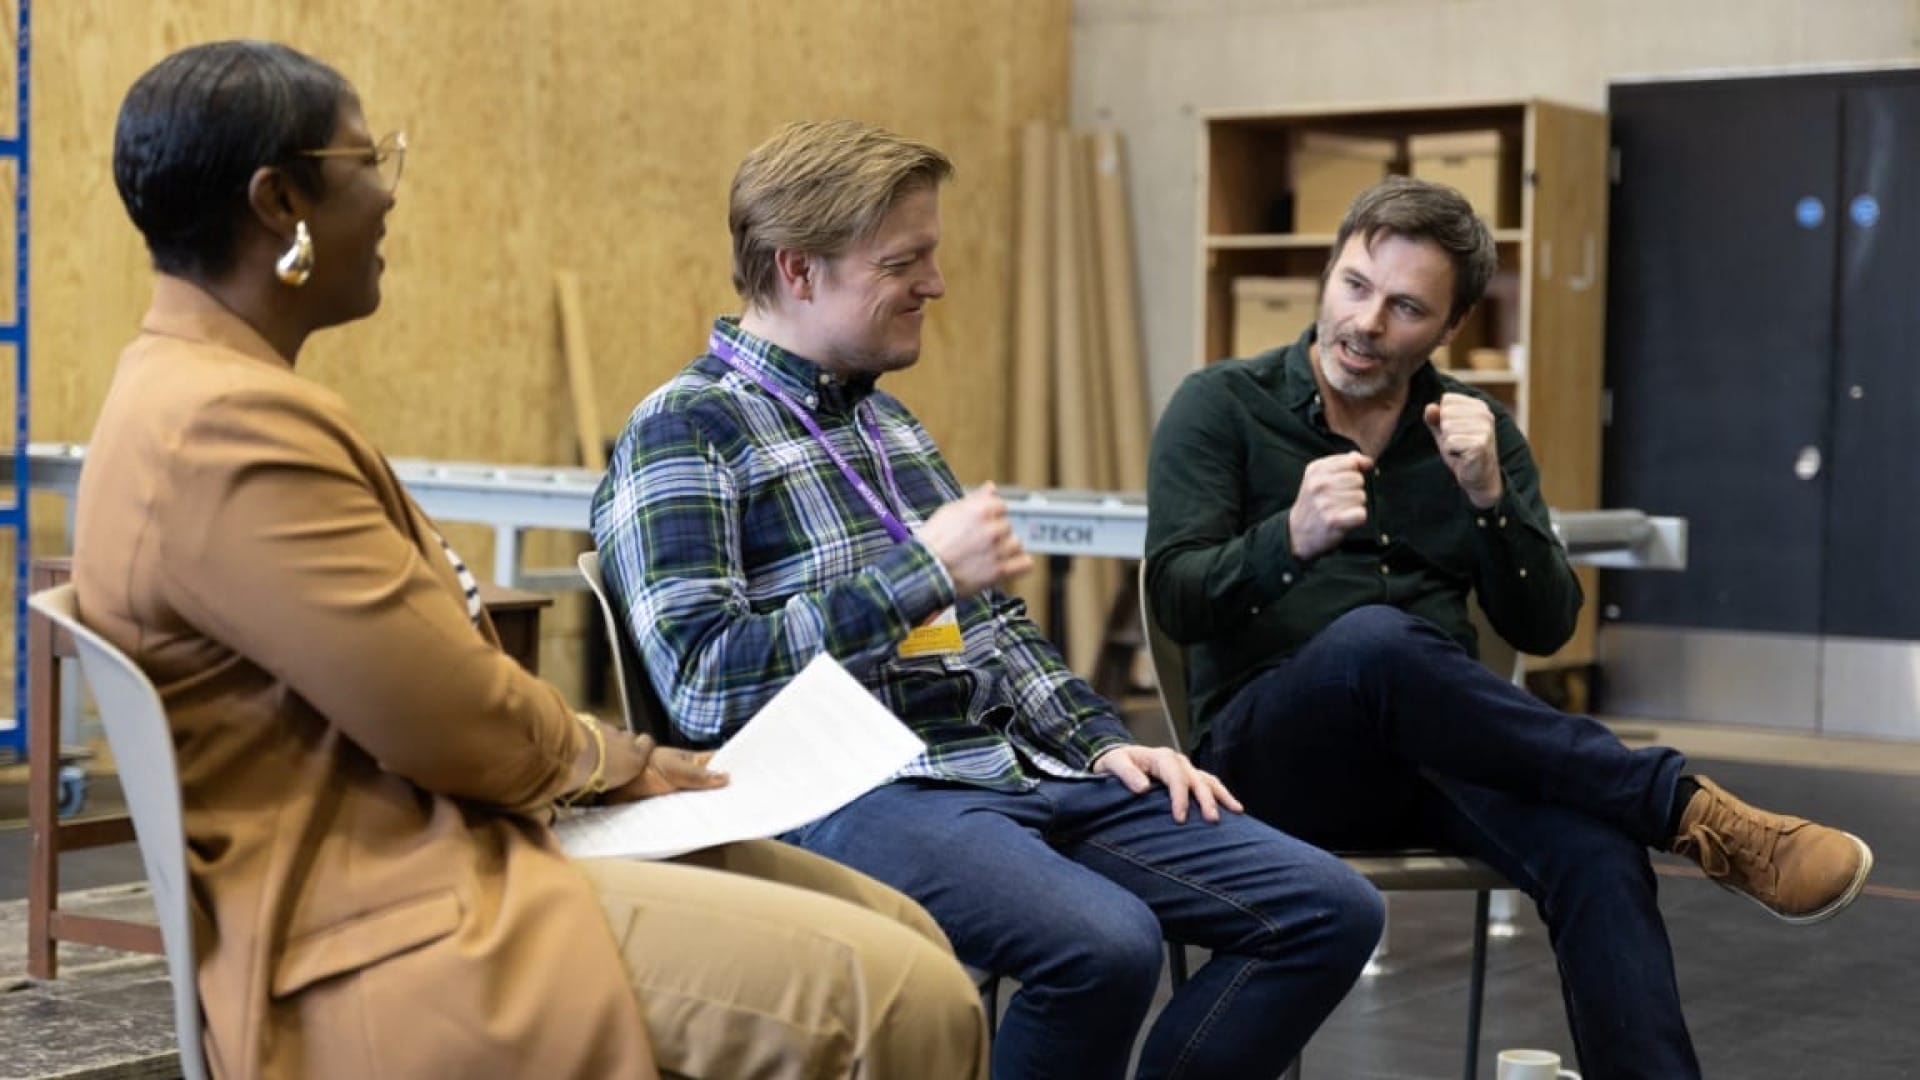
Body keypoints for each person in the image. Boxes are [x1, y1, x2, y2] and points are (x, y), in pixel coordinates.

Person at [74, 41, 988, 1080]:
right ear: (279, 199)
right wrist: (618, 758)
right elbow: (448, 719)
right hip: (379, 912)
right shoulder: (227, 425)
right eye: (371, 160)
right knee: (904, 1000)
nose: (386, 197)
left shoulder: (206, 395)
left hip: (425, 844)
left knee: (900, 927)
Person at [592, 118, 1385, 1080]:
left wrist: (1101, 739)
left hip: (1015, 766)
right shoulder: (685, 429)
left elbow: (995, 626)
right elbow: (707, 688)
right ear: (799, 271)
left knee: (1329, 909)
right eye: (905, 261)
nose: (935, 284)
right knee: (1104, 947)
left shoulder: (887, 421)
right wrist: (922, 573)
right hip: (853, 789)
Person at [1144, 175, 1875, 1080]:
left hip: (1435, 758)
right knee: (1375, 642)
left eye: (1406, 307)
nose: (1368, 323)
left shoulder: (1472, 434)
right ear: (1328, 275)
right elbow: (1174, 600)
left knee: (1596, 850)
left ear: (1449, 330)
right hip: (1268, 759)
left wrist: (1491, 500)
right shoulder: (1221, 406)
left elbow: (1545, 620)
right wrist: (1284, 543)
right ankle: (1680, 806)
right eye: (1355, 285)